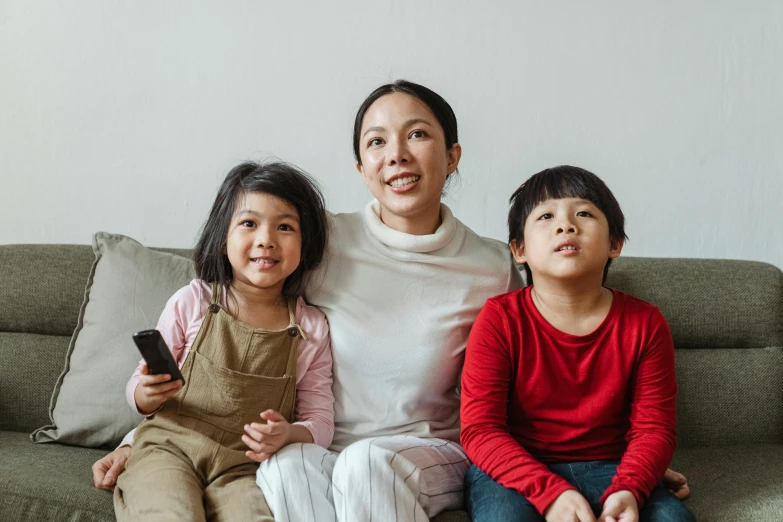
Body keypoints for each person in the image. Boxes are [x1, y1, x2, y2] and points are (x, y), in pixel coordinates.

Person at [93, 81, 689, 521]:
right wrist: (137, 442)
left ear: (452, 156)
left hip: (429, 451)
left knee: (369, 463)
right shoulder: (318, 241)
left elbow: (547, 373)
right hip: (321, 446)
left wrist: (620, 470)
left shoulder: (494, 264)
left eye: (418, 135)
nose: (397, 154)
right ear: (361, 166)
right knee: (282, 467)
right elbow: (221, 333)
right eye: (377, 142)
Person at [460, 166, 696, 522]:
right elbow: (480, 430)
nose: (566, 225)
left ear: (615, 243)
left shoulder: (645, 323)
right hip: (517, 472)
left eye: (583, 213)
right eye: (545, 216)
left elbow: (654, 429)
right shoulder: (499, 319)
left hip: (613, 469)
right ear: (519, 249)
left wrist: (630, 487)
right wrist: (550, 493)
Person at [112, 161, 334, 522]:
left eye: (285, 226)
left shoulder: (312, 327)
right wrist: (144, 394)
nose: (266, 239)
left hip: (243, 470)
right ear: (223, 237)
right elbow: (138, 384)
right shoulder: (193, 300)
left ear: (306, 243)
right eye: (249, 223)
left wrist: (290, 433)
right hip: (168, 448)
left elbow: (321, 421)